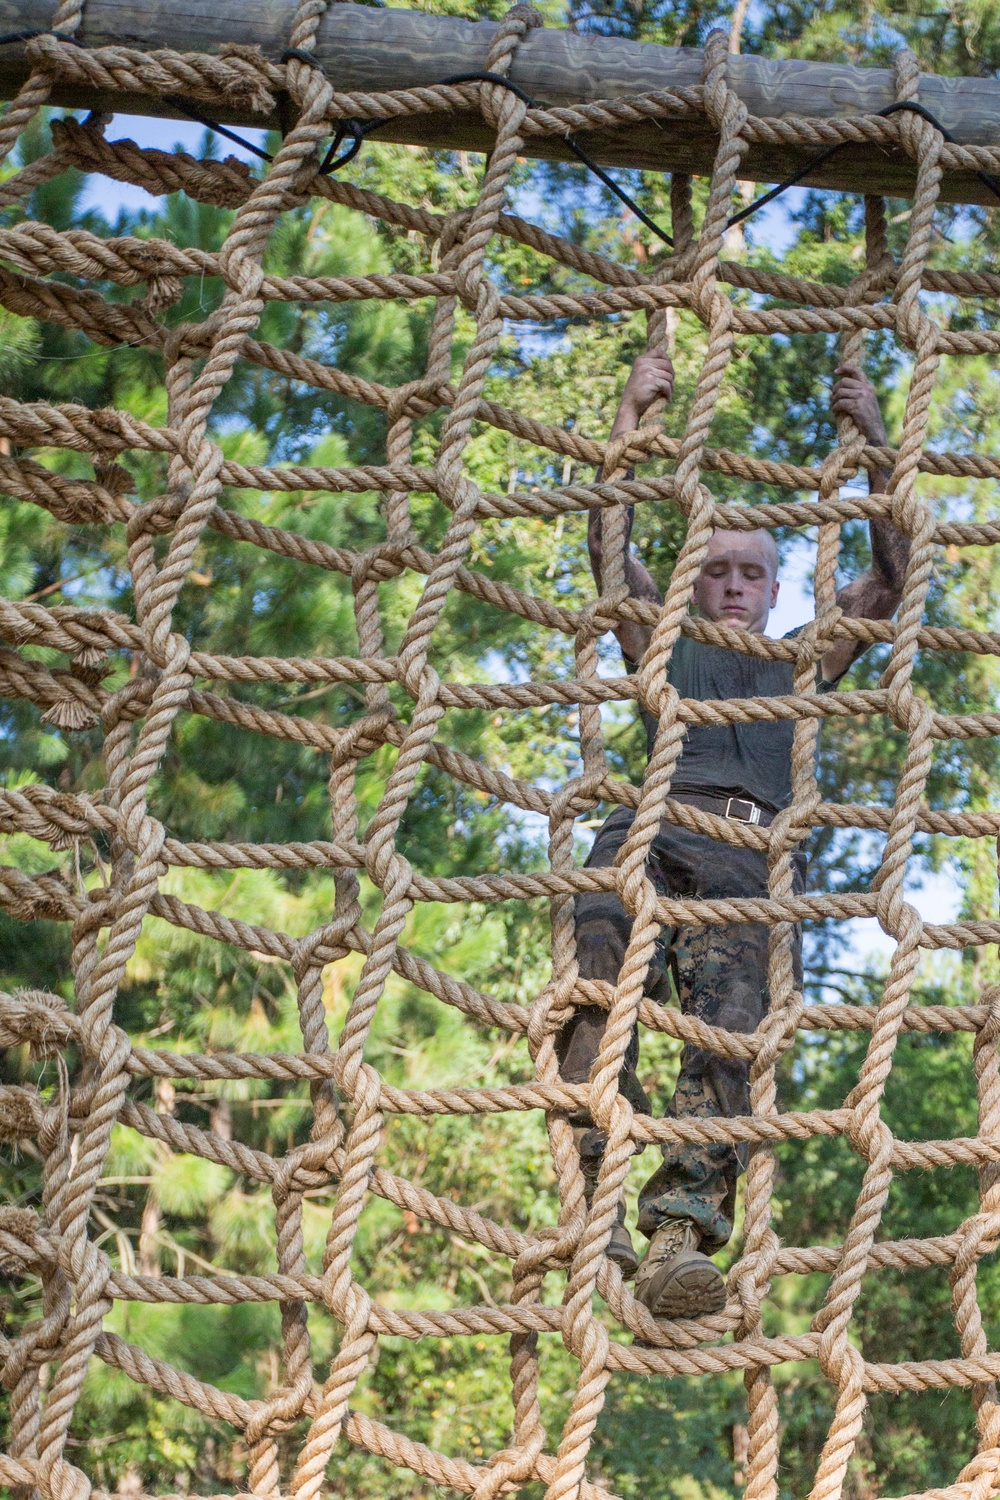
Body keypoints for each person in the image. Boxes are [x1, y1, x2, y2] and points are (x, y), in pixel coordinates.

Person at [558, 352, 909, 1319]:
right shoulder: (671, 643)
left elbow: (896, 577)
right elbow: (609, 547)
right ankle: (599, 1198)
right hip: (653, 830)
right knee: (594, 977)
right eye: (715, 570)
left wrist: (875, 439)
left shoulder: (806, 655)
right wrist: (628, 412)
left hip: (747, 856)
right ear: (693, 581)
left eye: (750, 573)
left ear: (775, 584)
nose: (732, 587)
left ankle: (682, 1231)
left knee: (734, 1033)